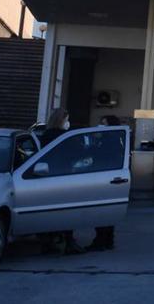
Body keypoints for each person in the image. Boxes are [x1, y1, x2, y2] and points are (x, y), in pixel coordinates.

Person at [36, 109, 85, 255]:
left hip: (46, 175)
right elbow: (78, 152)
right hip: (65, 175)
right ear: (62, 120)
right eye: (67, 119)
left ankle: (48, 241)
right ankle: (69, 241)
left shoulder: (45, 135)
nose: (68, 122)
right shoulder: (66, 136)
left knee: (48, 210)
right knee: (67, 210)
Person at [88, 114, 123, 252]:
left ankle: (101, 240)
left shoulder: (108, 140)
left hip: (104, 179)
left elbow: (100, 156)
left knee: (101, 212)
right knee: (108, 212)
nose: (101, 126)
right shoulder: (116, 138)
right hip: (109, 178)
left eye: (103, 123)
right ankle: (107, 240)